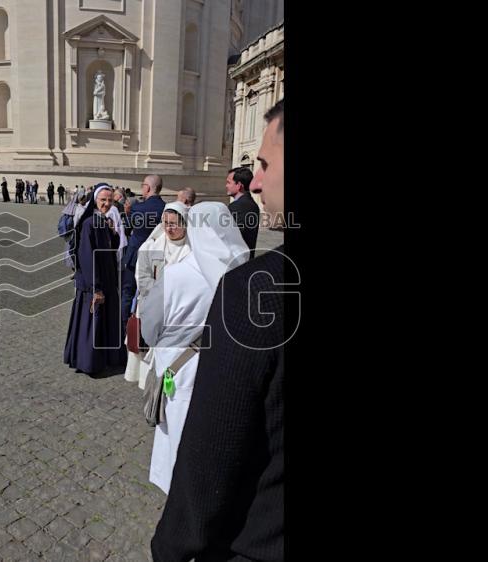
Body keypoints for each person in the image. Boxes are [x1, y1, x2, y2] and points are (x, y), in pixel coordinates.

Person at [150, 99, 287, 562]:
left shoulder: (252, 289)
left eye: (265, 164)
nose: (257, 181)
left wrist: (170, 546)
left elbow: (212, 453)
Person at [141, 202, 249, 494]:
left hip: (181, 368)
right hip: (226, 369)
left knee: (178, 433)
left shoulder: (177, 275)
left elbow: (149, 329)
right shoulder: (244, 274)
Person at [123, 202, 192, 390]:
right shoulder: (151, 245)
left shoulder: (192, 250)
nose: (169, 228)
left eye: (174, 224)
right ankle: (149, 389)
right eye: (166, 223)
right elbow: (142, 277)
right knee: (148, 354)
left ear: (185, 223)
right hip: (153, 307)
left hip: (178, 312)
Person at [63, 185, 127, 376]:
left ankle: (108, 357)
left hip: (106, 280)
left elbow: (110, 250)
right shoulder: (90, 223)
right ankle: (89, 361)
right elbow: (87, 257)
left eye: (110, 200)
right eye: (103, 200)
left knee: (105, 320)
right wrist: (95, 287)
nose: (107, 204)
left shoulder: (103, 221)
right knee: (92, 322)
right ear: (95, 201)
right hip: (94, 283)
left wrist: (114, 235)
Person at [121, 175, 166, 341]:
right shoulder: (166, 208)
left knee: (128, 292)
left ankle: (126, 329)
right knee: (151, 295)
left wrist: (127, 214)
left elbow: (127, 228)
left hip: (135, 256)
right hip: (156, 258)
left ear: (147, 187)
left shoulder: (137, 208)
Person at [226, 166, 260, 259]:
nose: (226, 186)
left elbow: (228, 237)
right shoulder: (251, 204)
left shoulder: (239, 206)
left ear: (239, 185)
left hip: (236, 262)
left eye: (228, 182)